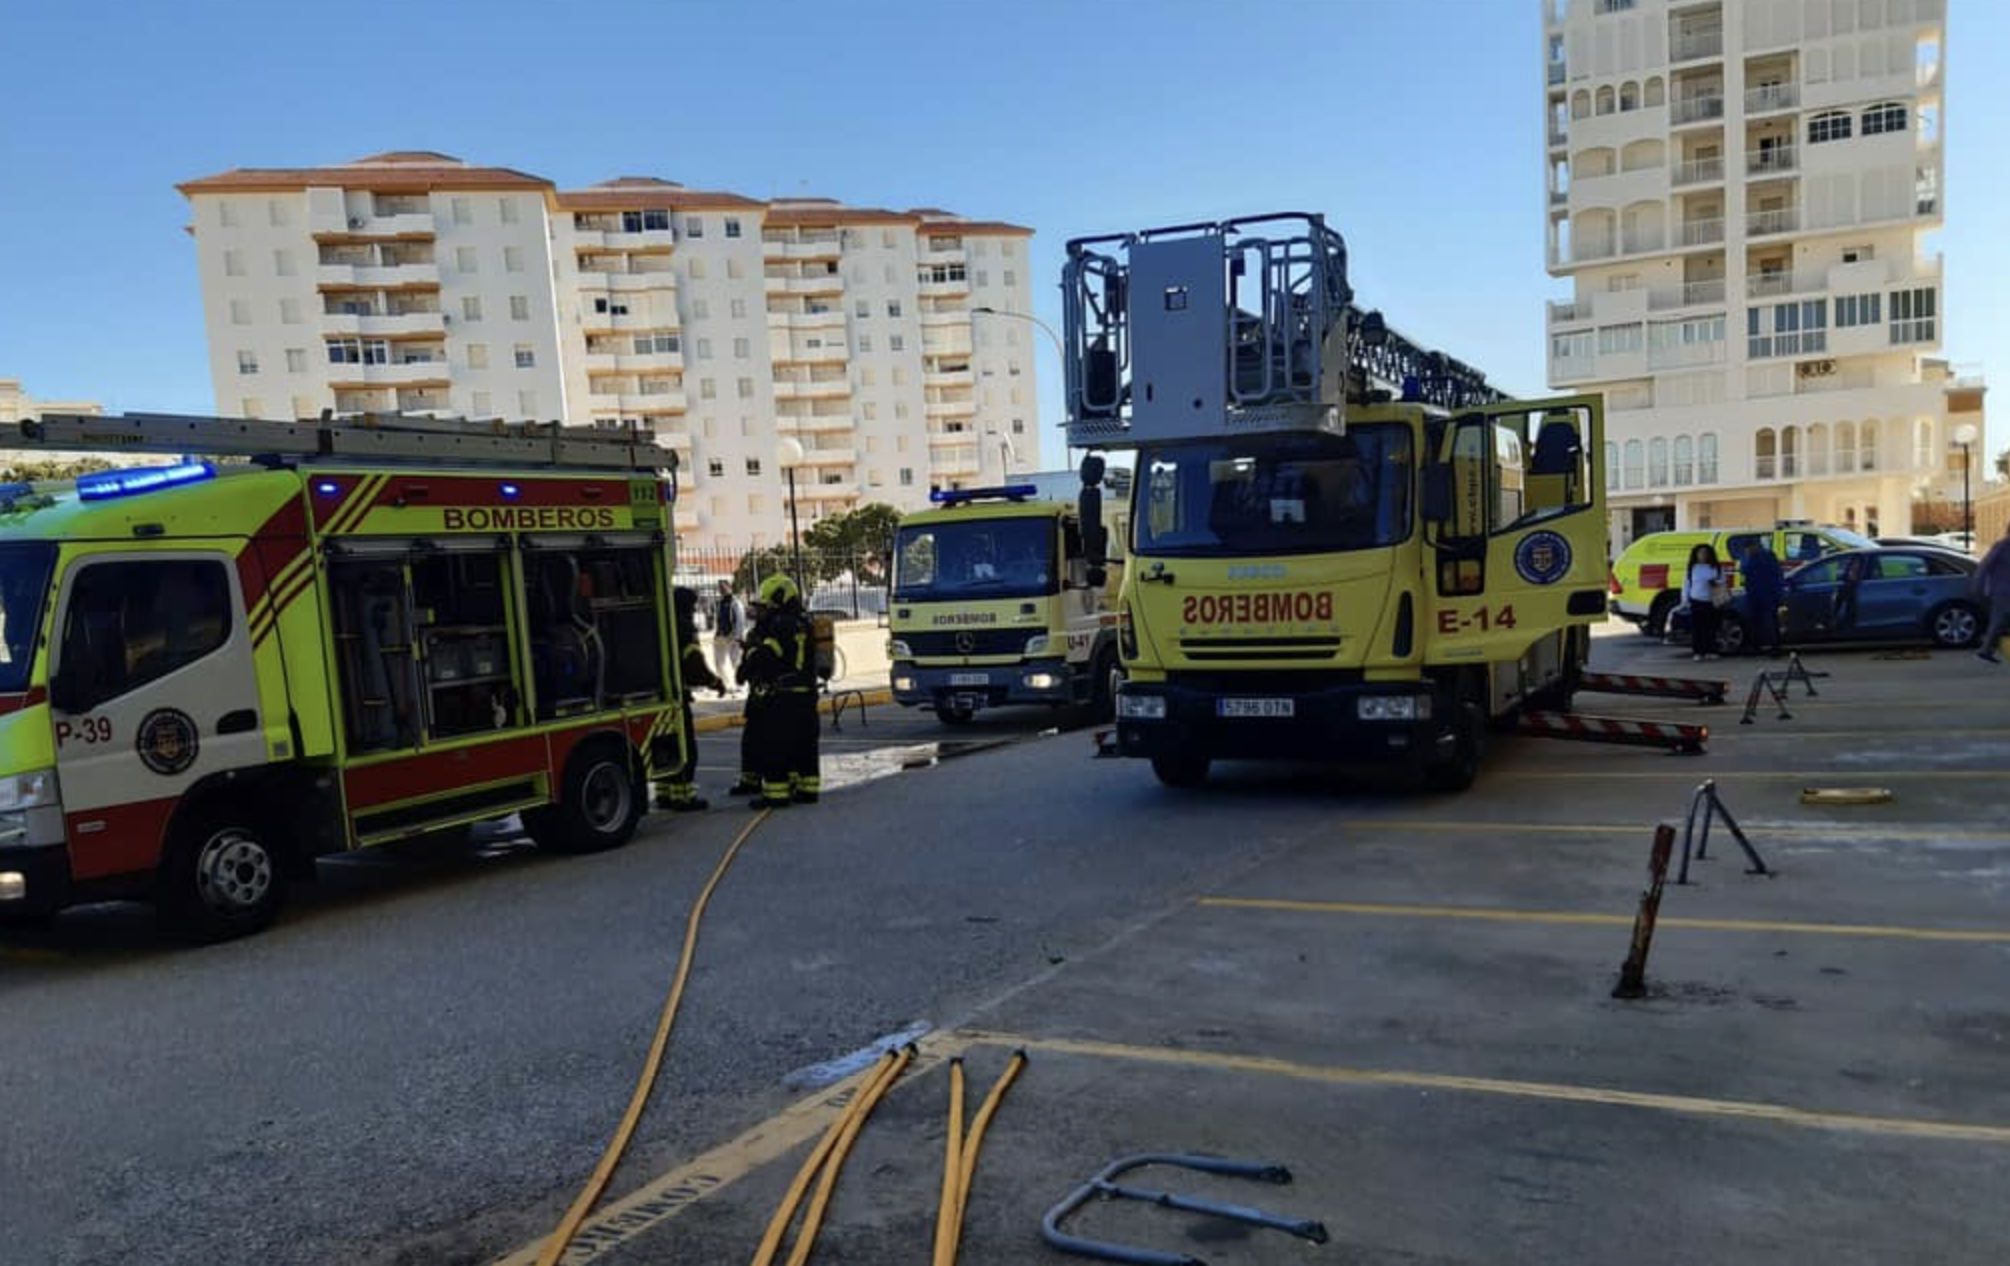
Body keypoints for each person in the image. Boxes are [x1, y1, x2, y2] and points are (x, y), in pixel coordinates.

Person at [738, 573, 820, 808]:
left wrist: (751, 654)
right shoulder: (804, 623)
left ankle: (776, 795)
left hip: (784, 697)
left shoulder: (778, 626)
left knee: (776, 746)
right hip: (807, 694)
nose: (765, 609)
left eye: (767, 604)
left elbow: (767, 657)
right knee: (805, 747)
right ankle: (808, 789)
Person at [656, 587, 723, 811]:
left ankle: (664, 793)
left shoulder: (660, 622)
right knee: (685, 749)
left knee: (665, 746)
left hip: (657, 697)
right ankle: (683, 797)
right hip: (677, 698)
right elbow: (694, 665)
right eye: (693, 606)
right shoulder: (684, 628)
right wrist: (715, 682)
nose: (695, 609)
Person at [1739, 537, 1785, 657]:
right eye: (1747, 548)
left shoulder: (1768, 556)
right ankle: (1756, 647)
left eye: (1751, 547)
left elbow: (1777, 574)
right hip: (1753, 594)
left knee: (1770, 622)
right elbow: (1743, 570)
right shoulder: (1746, 558)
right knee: (1754, 621)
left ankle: (1775, 648)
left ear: (1757, 546)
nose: (1749, 550)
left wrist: (1778, 594)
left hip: (1768, 594)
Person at [1974, 522, 2010, 663]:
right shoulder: (2002, 546)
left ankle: (1985, 650)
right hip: (2002, 590)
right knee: (1998, 621)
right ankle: (1985, 651)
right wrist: (1978, 584)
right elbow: (1985, 565)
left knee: (2000, 621)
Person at [1683, 542, 1725, 661]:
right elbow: (1686, 584)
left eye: (1705, 553)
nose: (1703, 555)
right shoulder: (1692, 568)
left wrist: (1714, 581)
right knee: (1697, 629)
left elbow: (1723, 581)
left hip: (1712, 601)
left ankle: (1711, 651)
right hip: (1696, 600)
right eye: (1700, 553)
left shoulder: (1716, 567)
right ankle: (1698, 652)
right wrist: (1685, 600)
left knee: (1711, 628)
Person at [711, 579, 745, 697]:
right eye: (719, 587)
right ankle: (726, 684)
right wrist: (716, 634)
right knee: (718, 662)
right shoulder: (720, 603)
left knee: (735, 662)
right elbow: (718, 619)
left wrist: (737, 636)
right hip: (720, 636)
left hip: (732, 636)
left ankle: (739, 685)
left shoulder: (736, 603)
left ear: (729, 587)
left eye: (723, 587)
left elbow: (740, 621)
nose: (720, 589)